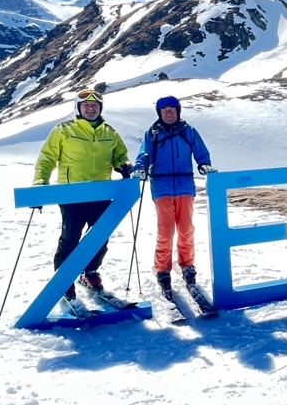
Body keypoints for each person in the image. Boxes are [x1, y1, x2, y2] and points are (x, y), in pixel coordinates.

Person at [32, 88, 131, 304]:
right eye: (86, 105)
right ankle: (64, 281)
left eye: (95, 105)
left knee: (100, 237)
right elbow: (47, 158)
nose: (90, 107)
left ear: (100, 108)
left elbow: (120, 154)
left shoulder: (109, 133)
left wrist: (123, 165)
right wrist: (40, 183)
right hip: (72, 195)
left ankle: (90, 272)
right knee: (70, 238)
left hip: (101, 194)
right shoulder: (63, 130)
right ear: (78, 108)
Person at [130, 96, 216, 299]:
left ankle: (187, 264)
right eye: (164, 109)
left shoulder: (189, 131)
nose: (168, 112)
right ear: (159, 113)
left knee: (186, 229)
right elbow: (144, 154)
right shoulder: (152, 133)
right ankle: (162, 268)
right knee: (166, 231)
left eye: (172, 108)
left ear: (178, 110)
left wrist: (204, 164)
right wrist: (140, 167)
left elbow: (200, 152)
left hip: (185, 186)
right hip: (162, 187)